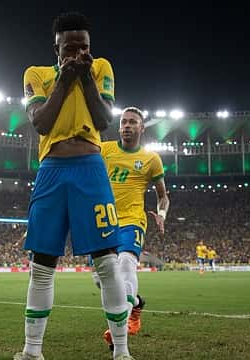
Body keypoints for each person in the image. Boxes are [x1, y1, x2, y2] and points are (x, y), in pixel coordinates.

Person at [14, 12, 133, 360]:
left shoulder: (101, 69)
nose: (80, 53)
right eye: (71, 47)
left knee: (107, 263)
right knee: (42, 265)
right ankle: (32, 351)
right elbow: (40, 122)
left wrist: (85, 79)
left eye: (85, 46)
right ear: (57, 48)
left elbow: (103, 119)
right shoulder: (35, 75)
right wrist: (66, 79)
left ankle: (122, 352)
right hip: (51, 169)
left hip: (90, 168)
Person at [97, 107, 169, 350]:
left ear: (141, 128)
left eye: (132, 122)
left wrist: (161, 215)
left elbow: (163, 196)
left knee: (126, 264)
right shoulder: (104, 149)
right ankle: (136, 304)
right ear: (119, 127)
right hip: (103, 220)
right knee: (103, 280)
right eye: (123, 122)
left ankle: (121, 328)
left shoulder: (151, 159)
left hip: (133, 220)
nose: (127, 126)